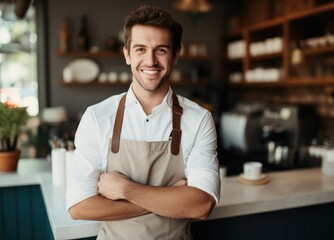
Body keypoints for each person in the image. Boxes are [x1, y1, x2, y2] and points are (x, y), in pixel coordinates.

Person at [66, 5, 220, 240]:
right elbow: (79, 206)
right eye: (140, 49)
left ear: (176, 55)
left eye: (161, 50)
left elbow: (201, 205)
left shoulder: (199, 119)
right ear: (127, 54)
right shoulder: (97, 117)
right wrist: (170, 198)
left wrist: (126, 190)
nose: (150, 60)